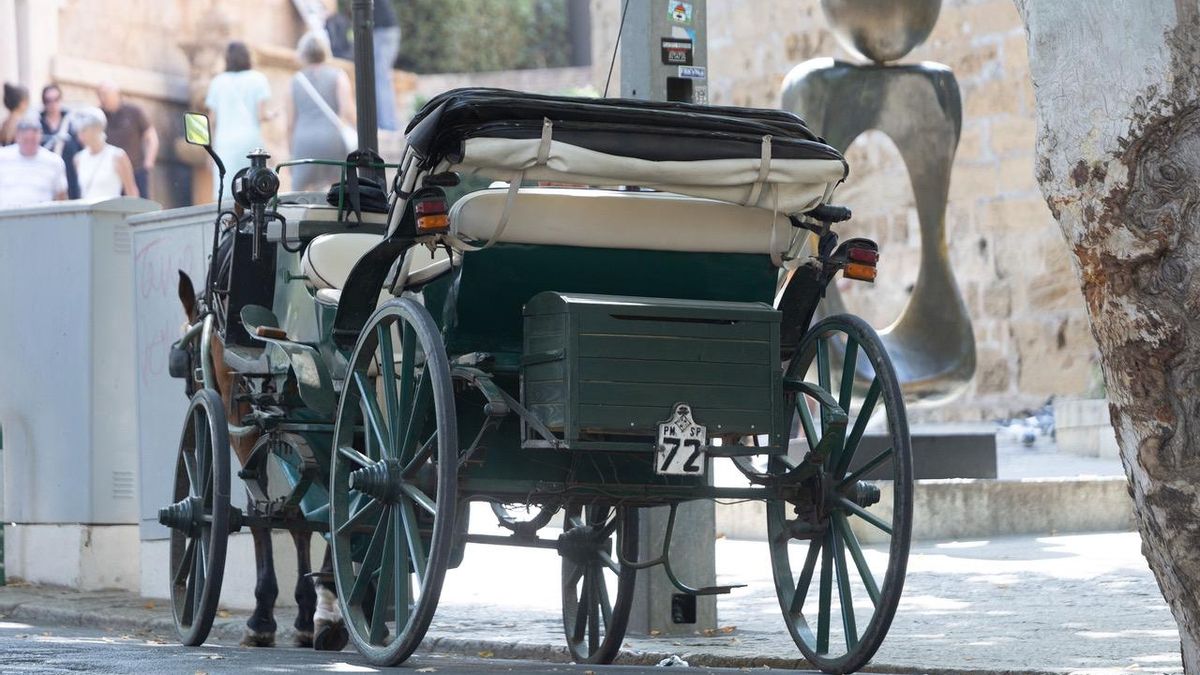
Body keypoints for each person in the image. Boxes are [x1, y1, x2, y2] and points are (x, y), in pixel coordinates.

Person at [205, 41, 274, 200]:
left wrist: (209, 151)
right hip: (250, 142)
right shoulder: (258, 79)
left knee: (227, 192)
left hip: (224, 143)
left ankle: (230, 223)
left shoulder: (218, 82)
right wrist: (271, 115)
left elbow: (212, 120)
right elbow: (261, 115)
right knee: (254, 190)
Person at [289, 31, 356, 192]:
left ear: (303, 53)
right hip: (332, 138)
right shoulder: (338, 76)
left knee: (299, 193)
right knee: (336, 189)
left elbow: (289, 123)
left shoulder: (295, 81)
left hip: (303, 141)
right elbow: (348, 111)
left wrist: (290, 151)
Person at [97, 80, 158, 199]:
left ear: (116, 94)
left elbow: (151, 137)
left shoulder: (133, 112)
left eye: (105, 95)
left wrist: (148, 163)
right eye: (100, 95)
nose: (102, 99)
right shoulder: (99, 115)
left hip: (136, 171)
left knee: (141, 209)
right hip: (111, 175)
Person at [72, 107, 139, 200]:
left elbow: (131, 192)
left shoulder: (117, 156)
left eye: (84, 130)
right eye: (78, 131)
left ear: (96, 129)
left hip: (112, 211)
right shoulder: (78, 159)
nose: (80, 135)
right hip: (87, 212)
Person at [0, 117, 68, 207]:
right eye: (25, 140)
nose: (29, 145)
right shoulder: (3, 157)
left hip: (41, 216)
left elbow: (61, 196)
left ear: (40, 136)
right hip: (6, 216)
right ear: (17, 137)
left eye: (33, 141)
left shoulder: (54, 161)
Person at [39, 83, 83, 198]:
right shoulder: (37, 126)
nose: (53, 104)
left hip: (71, 179)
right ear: (44, 103)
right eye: (48, 100)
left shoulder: (73, 123)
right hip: (46, 180)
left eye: (56, 99)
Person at [373, 0, 401, 131]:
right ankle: (387, 123)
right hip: (387, 30)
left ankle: (386, 124)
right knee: (383, 78)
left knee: (381, 78)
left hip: (382, 32)